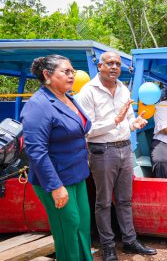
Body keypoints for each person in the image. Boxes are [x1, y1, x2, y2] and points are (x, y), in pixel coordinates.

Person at [76, 51, 156, 261]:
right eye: (109, 63)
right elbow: (86, 129)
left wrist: (133, 124)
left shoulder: (122, 88)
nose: (114, 67)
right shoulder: (88, 91)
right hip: (102, 151)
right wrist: (116, 120)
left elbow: (127, 121)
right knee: (103, 202)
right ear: (100, 66)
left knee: (125, 200)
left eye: (118, 64)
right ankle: (108, 246)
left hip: (125, 148)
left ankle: (129, 241)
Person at [20, 55, 93, 261]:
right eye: (66, 71)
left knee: (82, 225)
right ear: (47, 75)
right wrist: (55, 187)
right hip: (55, 179)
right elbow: (36, 151)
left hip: (77, 174)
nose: (72, 76)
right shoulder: (39, 105)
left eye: (73, 71)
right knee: (67, 228)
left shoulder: (68, 97)